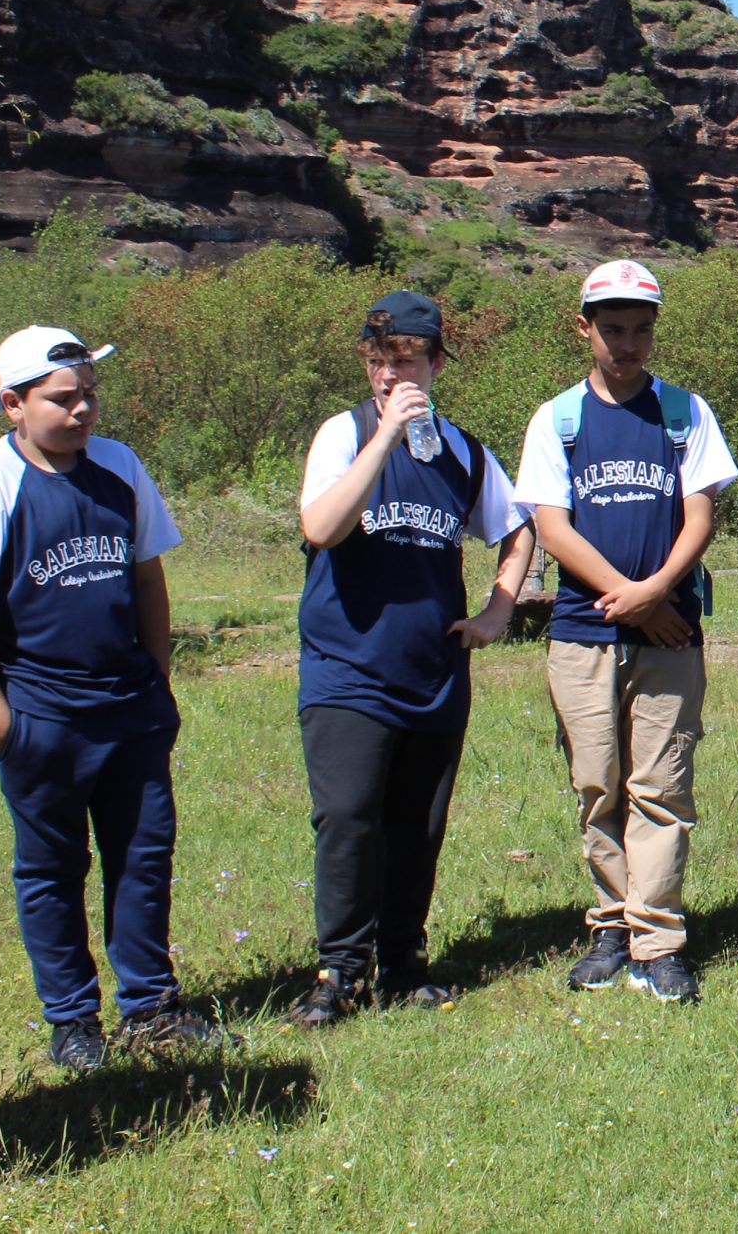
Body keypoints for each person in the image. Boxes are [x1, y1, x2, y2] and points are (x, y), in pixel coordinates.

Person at [0, 327, 224, 1071]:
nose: (84, 409)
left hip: (130, 710)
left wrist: (157, 680)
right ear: (13, 405)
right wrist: (2, 722)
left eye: (90, 393)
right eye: (63, 398)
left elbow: (148, 575)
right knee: (53, 869)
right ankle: (72, 1021)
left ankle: (151, 1005)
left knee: (143, 858)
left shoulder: (118, 466)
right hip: (44, 717)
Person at [288, 291, 536, 1027]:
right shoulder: (344, 432)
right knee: (347, 817)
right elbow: (322, 525)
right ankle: (339, 969)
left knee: (416, 824)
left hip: (433, 672)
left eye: (406, 362)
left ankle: (401, 961)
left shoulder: (463, 449)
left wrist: (497, 610)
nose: (391, 377)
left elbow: (516, 529)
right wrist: (384, 440)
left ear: (435, 364)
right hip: (348, 667)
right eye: (379, 363)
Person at [516, 260, 738, 1004]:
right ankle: (610, 925)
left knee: (663, 785)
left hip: (670, 632)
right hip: (584, 633)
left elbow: (700, 515)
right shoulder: (557, 419)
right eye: (612, 329)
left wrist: (654, 593)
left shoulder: (685, 414)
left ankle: (660, 939)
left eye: (642, 329)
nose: (628, 343)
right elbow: (552, 526)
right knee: (596, 782)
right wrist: (635, 598)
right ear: (584, 327)